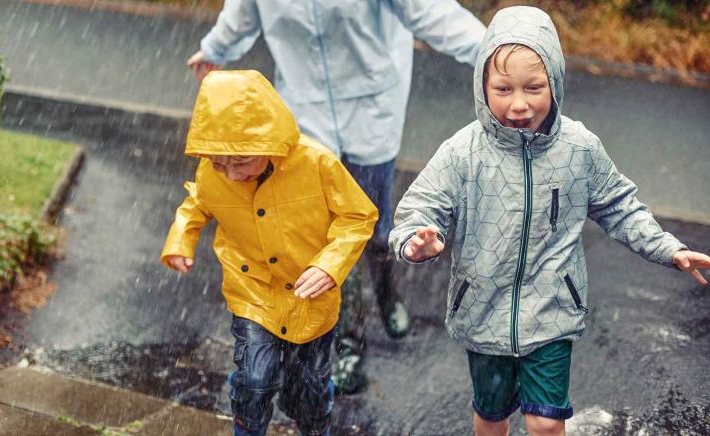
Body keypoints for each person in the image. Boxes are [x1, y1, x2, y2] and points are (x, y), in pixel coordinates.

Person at [388, 6, 710, 436]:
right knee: (492, 413)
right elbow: (418, 209)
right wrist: (415, 242)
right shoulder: (462, 152)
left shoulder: (579, 148)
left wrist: (668, 247)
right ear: (482, 85)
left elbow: (620, 205)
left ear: (555, 82)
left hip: (552, 310)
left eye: (534, 87)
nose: (519, 103)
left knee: (544, 422)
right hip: (484, 312)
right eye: (503, 88)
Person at [186, 0, 486, 394]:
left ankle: (386, 289)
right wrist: (215, 50)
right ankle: (350, 342)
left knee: (373, 220)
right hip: (304, 111)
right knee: (328, 232)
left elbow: (432, 11)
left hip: (373, 103)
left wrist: (497, 51)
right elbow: (242, 14)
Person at [161, 70, 376, 436]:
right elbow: (197, 201)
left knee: (306, 388)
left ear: (270, 140)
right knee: (255, 379)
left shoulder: (316, 163)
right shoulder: (215, 169)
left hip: (311, 294)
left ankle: (313, 425)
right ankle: (248, 428)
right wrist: (181, 238)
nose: (230, 175)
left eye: (241, 161)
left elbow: (358, 215)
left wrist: (330, 264)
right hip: (252, 291)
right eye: (219, 164)